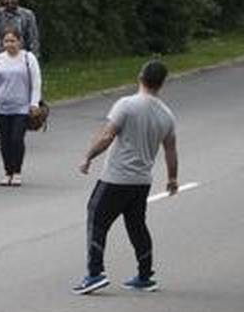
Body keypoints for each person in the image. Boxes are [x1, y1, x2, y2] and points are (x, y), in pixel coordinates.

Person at [75, 60, 180, 295]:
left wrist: (88, 156)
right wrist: (172, 178)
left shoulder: (127, 105)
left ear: (140, 76)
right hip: (141, 181)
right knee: (137, 226)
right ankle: (145, 275)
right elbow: (170, 149)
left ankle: (94, 274)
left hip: (116, 177)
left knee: (97, 219)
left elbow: (107, 136)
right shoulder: (166, 114)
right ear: (162, 84)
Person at [0, 28, 44, 186]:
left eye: (13, 40)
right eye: (6, 41)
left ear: (20, 42)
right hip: (2, 108)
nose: (9, 44)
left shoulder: (28, 58)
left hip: (22, 107)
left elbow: (36, 82)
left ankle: (17, 172)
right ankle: (7, 172)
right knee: (5, 141)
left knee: (16, 139)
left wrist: (34, 103)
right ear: (2, 43)